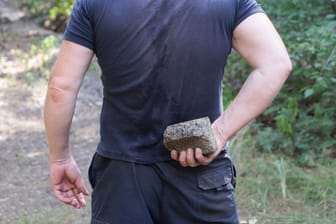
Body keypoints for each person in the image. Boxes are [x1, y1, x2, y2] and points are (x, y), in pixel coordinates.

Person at [44, 0, 292, 223]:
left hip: (121, 176)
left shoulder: (93, 4)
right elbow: (276, 63)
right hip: (200, 172)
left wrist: (61, 158)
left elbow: (61, 88)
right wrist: (219, 132)